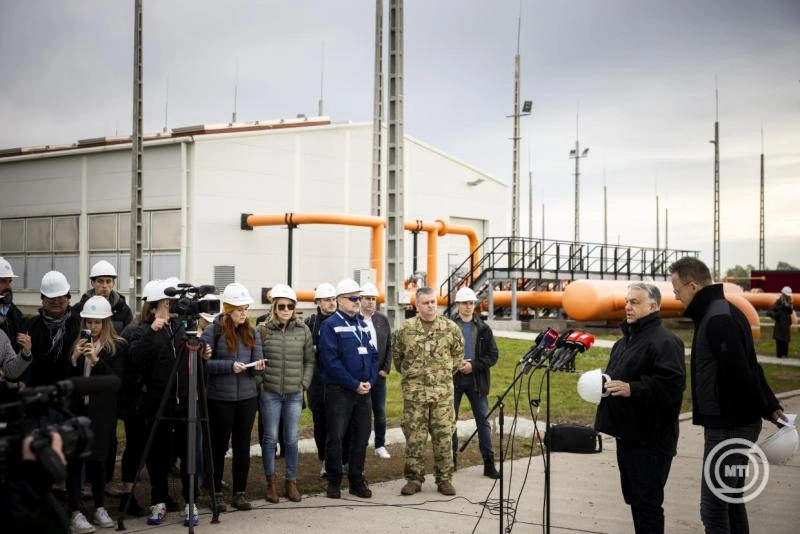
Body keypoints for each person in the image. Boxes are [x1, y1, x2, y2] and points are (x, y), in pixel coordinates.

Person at [669, 257, 785, 533]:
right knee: (731, 499)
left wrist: (766, 406)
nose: (676, 297)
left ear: (693, 286)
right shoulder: (724, 310)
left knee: (713, 507)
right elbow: (750, 364)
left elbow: (742, 371)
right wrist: (769, 405)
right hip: (734, 424)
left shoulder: (717, 318)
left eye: (677, 291)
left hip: (729, 428)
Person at [594, 283, 686, 534]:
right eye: (627, 301)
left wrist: (633, 388)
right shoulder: (625, 341)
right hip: (628, 436)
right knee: (636, 501)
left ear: (653, 306)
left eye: (634, 302)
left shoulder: (666, 341)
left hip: (651, 440)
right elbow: (618, 378)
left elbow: (672, 386)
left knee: (648, 506)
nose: (627, 307)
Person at [127, 279, 209, 527]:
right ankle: (158, 500)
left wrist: (202, 350)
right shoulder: (141, 330)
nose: (172, 307)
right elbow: (135, 359)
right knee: (158, 456)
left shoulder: (182, 328)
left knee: (188, 453)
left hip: (185, 402)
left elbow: (193, 360)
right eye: (166, 303)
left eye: (171, 302)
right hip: (158, 402)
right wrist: (153, 331)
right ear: (153, 306)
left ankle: (190, 501)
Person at [392, 287, 463, 496]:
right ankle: (414, 479)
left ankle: (444, 479)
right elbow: (398, 358)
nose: (431, 305)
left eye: (433, 302)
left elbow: (457, 357)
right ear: (417, 305)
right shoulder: (405, 329)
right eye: (425, 302)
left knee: (443, 438)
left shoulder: (450, 328)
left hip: (442, 396)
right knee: (415, 438)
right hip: (415, 396)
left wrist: (440, 377)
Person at [201, 283, 264, 512]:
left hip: (247, 398)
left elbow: (259, 363)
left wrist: (256, 367)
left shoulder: (252, 331)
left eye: (246, 308)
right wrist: (230, 366)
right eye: (239, 309)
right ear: (228, 309)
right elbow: (203, 365)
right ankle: (215, 493)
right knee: (218, 447)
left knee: (242, 446)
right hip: (220, 399)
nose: (244, 313)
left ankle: (239, 493)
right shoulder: (213, 331)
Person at [66, 295, 126, 533]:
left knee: (98, 460)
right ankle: (76, 511)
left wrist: (96, 359)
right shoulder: (76, 343)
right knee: (76, 460)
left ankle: (100, 506)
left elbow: (115, 381)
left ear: (106, 323)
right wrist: (74, 359)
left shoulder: (117, 346)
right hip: (78, 409)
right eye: (88, 322)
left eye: (97, 323)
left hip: (102, 412)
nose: (92, 327)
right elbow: (66, 379)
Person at [317, 278, 377, 499]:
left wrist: (370, 381)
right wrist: (353, 384)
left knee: (361, 437)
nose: (357, 301)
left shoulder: (362, 324)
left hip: (363, 390)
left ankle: (356, 480)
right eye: (353, 298)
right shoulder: (330, 325)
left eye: (359, 298)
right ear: (340, 300)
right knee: (336, 436)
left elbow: (372, 355)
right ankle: (333, 481)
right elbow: (330, 362)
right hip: (340, 391)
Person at [256, 284, 314, 503]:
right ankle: (270, 483)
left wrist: (304, 384)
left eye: (290, 306)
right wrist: (260, 383)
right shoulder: (262, 330)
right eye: (282, 306)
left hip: (294, 394)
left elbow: (310, 360)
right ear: (274, 307)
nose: (286, 309)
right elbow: (256, 359)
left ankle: (291, 482)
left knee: (291, 439)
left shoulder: (303, 330)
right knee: (269, 438)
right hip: (269, 393)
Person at [450, 287, 500, 479]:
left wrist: (474, 366)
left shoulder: (483, 328)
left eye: (471, 303)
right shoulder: (448, 326)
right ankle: (450, 461)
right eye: (464, 303)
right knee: (449, 421)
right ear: (458, 305)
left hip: (476, 380)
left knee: (483, 421)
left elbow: (493, 355)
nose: (468, 307)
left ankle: (488, 463)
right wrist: (456, 365)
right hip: (454, 379)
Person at [304, 282, 339, 475]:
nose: (332, 303)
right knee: (320, 422)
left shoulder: (343, 320)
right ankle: (324, 460)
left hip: (337, 381)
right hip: (317, 381)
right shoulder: (310, 323)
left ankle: (340, 460)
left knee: (338, 422)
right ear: (318, 302)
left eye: (334, 299)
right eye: (327, 300)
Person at [25, 271, 81, 387]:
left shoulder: (80, 325)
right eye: (51, 297)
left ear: (68, 298)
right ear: (43, 299)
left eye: (60, 296)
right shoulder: (30, 326)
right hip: (39, 391)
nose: (56, 301)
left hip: (71, 390)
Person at [359, 282, 393, 459]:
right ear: (360, 300)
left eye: (373, 299)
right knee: (362, 413)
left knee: (379, 411)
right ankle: (361, 443)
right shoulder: (355, 319)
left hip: (378, 374)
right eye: (367, 298)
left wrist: (386, 369)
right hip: (360, 375)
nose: (371, 302)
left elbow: (389, 345)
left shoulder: (382, 320)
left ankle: (380, 444)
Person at [73, 260, 133, 335]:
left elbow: (128, 338)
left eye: (108, 281)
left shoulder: (124, 310)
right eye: (100, 281)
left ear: (113, 284)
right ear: (92, 283)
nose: (104, 286)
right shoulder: (79, 309)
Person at [0, 257, 28, 353]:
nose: (8, 287)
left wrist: (26, 352)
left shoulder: (16, 315)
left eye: (10, 281)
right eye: (3, 281)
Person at [767, 286, 794, 358]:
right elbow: (769, 312)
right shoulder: (779, 302)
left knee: (786, 340)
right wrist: (778, 312)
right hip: (779, 324)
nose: (788, 297)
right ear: (783, 294)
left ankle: (785, 354)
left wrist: (789, 307)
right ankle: (779, 355)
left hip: (786, 325)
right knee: (779, 340)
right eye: (787, 295)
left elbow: (790, 312)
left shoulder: (790, 302)